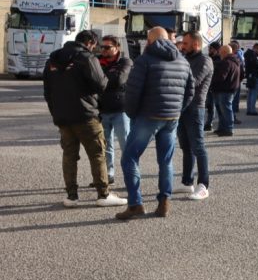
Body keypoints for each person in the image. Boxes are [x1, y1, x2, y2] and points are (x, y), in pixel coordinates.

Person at [116, 27, 194, 220]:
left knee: (129, 158)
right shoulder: (183, 61)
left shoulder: (144, 60)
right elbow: (190, 91)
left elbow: (133, 91)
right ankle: (164, 202)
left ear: (149, 41)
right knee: (165, 161)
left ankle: (135, 204)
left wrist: (132, 114)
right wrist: (177, 110)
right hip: (171, 117)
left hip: (147, 116)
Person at [43, 30, 126, 208]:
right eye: (95, 46)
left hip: (63, 118)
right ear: (89, 42)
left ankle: (72, 196)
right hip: (86, 115)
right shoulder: (87, 58)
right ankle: (103, 194)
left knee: (69, 156)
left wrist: (56, 113)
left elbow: (47, 92)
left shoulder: (52, 60)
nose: (96, 49)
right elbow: (101, 83)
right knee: (97, 154)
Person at [176, 31, 213, 201]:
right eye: (182, 43)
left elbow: (194, 81)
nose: (182, 46)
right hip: (182, 108)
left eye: (185, 43)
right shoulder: (185, 59)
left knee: (198, 147)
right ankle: (186, 182)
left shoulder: (205, 60)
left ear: (196, 44)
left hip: (195, 108)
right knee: (186, 147)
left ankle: (203, 185)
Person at [98, 35, 132, 185]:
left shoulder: (125, 62)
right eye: (102, 47)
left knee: (126, 145)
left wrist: (102, 79)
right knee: (106, 145)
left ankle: (130, 174)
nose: (103, 50)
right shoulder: (97, 61)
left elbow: (119, 79)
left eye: (107, 47)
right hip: (102, 110)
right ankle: (109, 173)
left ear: (117, 47)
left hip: (121, 110)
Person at [210, 44, 242, 137]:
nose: (219, 54)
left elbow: (221, 77)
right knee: (223, 109)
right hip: (230, 88)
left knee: (225, 109)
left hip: (224, 89)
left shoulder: (226, 62)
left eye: (220, 52)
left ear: (224, 52)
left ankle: (228, 129)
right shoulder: (236, 61)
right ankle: (222, 128)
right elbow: (242, 74)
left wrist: (211, 81)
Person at [203, 41, 221, 131]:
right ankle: (209, 123)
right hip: (209, 86)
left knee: (216, 105)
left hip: (215, 87)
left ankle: (210, 123)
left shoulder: (218, 60)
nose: (209, 50)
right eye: (209, 48)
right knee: (210, 106)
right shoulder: (210, 58)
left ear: (216, 50)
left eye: (211, 49)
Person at [243, 43, 258, 116]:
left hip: (250, 75)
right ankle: (252, 110)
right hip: (254, 75)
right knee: (254, 93)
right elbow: (254, 65)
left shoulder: (247, 54)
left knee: (250, 93)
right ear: (256, 48)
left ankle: (249, 109)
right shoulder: (252, 55)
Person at [229, 40, 243, 122]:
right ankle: (232, 118)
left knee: (231, 102)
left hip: (233, 83)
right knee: (231, 102)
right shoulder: (237, 58)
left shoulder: (234, 57)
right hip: (234, 83)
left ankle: (232, 118)